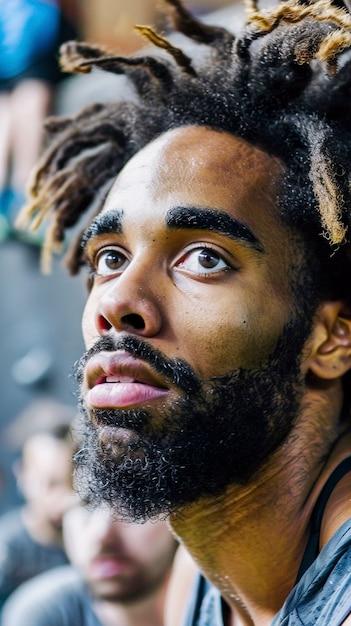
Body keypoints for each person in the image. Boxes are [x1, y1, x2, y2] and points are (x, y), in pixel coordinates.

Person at [16, 0, 351, 623]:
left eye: (203, 258)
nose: (117, 303)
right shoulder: (203, 569)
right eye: (110, 258)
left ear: (330, 338)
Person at [1, 498, 178, 626]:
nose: (102, 535)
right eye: (87, 503)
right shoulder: (43, 615)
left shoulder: (204, 604)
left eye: (136, 504)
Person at [0, 0, 79, 241]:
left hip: (35, 43)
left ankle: (26, 193)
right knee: (8, 108)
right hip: (17, 48)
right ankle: (12, 199)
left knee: (31, 97)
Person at [0, 421, 75, 610]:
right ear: (23, 476)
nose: (66, 497)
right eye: (51, 483)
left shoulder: (92, 541)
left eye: (74, 483)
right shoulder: (6, 548)